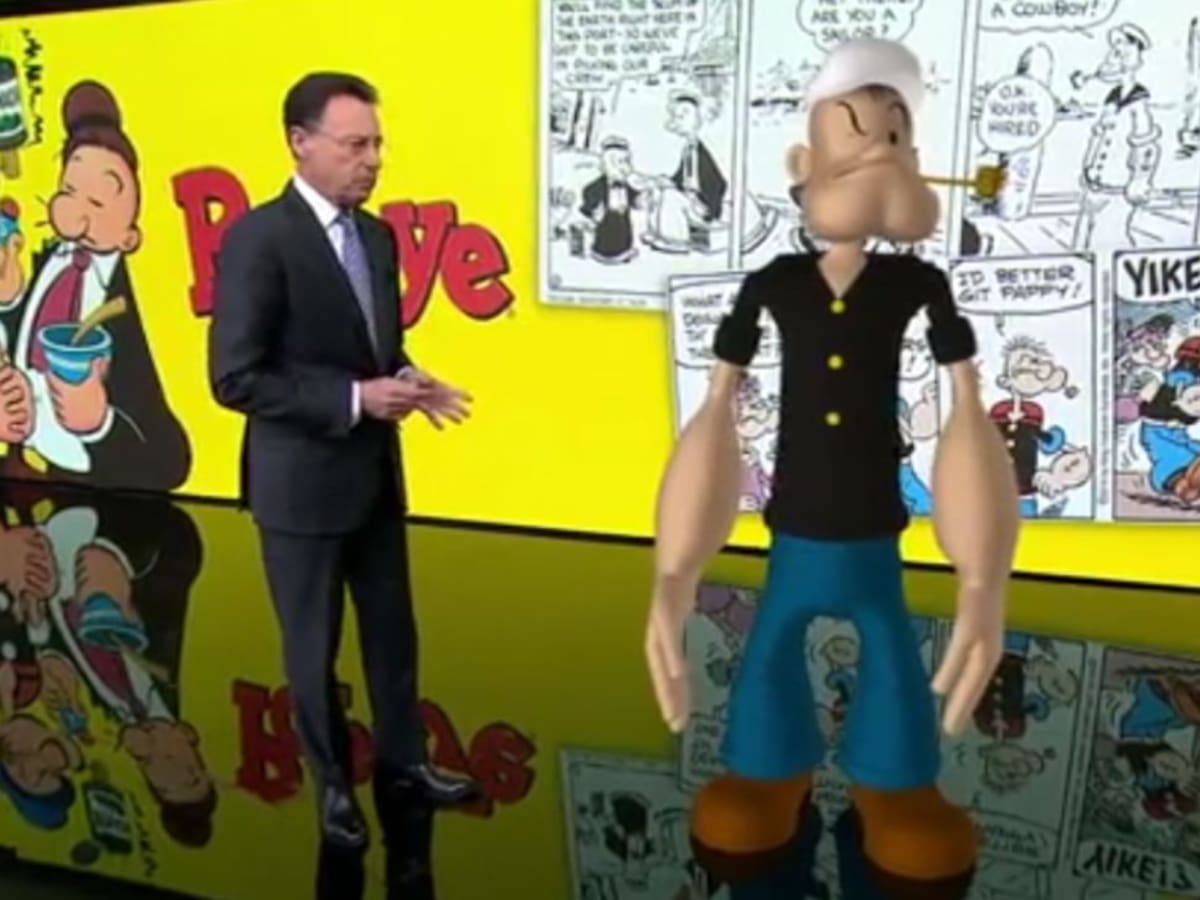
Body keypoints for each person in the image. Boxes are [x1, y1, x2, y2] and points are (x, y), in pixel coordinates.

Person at [644, 39, 1020, 897]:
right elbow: (716, 416)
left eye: (895, 135)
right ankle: (767, 772)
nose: (879, 150)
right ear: (802, 165)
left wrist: (983, 580)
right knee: (772, 647)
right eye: (856, 131)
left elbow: (966, 417)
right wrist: (674, 571)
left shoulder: (917, 287)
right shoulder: (773, 283)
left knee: (890, 652)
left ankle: (895, 786)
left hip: (873, 541)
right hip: (795, 538)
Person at [207, 72, 480, 854]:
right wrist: (356, 400)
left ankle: (405, 764)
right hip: (299, 491)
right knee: (313, 650)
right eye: (355, 145)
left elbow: (374, 347)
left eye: (377, 144)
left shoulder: (378, 238)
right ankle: (332, 788)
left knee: (394, 635)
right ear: (300, 142)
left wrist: (410, 379)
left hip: (374, 480)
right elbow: (235, 377)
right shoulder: (261, 239)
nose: (373, 160)